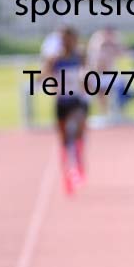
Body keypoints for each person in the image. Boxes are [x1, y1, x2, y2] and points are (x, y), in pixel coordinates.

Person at [43, 26, 89, 195]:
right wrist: (48, 72)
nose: (66, 42)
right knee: (63, 141)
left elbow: (86, 74)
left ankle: (78, 165)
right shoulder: (55, 59)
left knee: (77, 132)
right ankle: (67, 175)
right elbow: (43, 76)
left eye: (68, 38)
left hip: (76, 100)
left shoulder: (79, 57)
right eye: (63, 39)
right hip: (61, 101)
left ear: (74, 39)